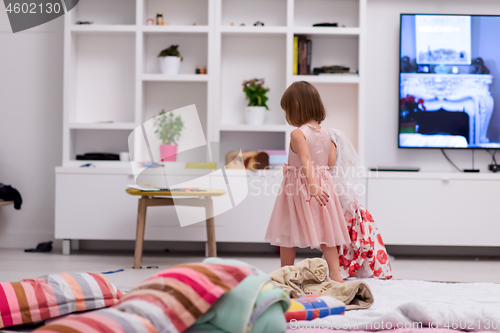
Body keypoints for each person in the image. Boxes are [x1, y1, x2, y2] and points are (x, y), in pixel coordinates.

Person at [265, 81, 350, 283]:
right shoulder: (326, 133)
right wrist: (318, 182)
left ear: (296, 108)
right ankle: (336, 276)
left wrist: (312, 186)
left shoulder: (298, 133)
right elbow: (329, 163)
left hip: (300, 188)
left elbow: (305, 160)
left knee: (287, 232)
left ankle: (286, 274)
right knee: (326, 233)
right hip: (324, 185)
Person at [328, 129, 392, 279]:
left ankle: (352, 265)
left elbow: (330, 165)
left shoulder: (336, 174)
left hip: (346, 207)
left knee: (347, 231)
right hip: (343, 204)